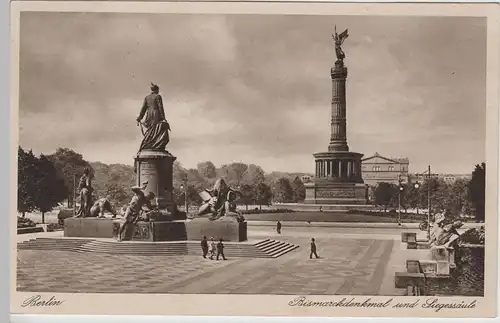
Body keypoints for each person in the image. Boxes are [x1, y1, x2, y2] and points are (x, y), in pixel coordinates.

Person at [136, 83, 171, 152]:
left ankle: (150, 144)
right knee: (158, 129)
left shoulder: (147, 97)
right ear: (157, 90)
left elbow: (143, 109)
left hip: (149, 115)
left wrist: (139, 118)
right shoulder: (158, 96)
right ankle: (156, 145)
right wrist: (163, 118)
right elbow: (160, 107)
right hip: (156, 114)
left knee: (151, 130)